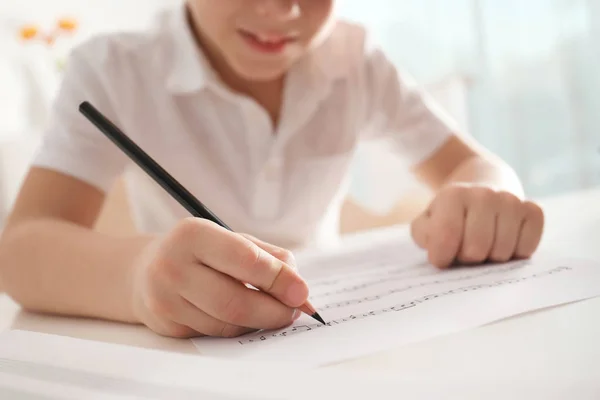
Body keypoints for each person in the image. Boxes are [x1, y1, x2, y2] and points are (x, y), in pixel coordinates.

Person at [0, 0, 544, 339]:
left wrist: (486, 193)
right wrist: (139, 278)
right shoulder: (112, 69)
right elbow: (21, 250)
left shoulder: (356, 59)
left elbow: (476, 163)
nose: (282, 11)